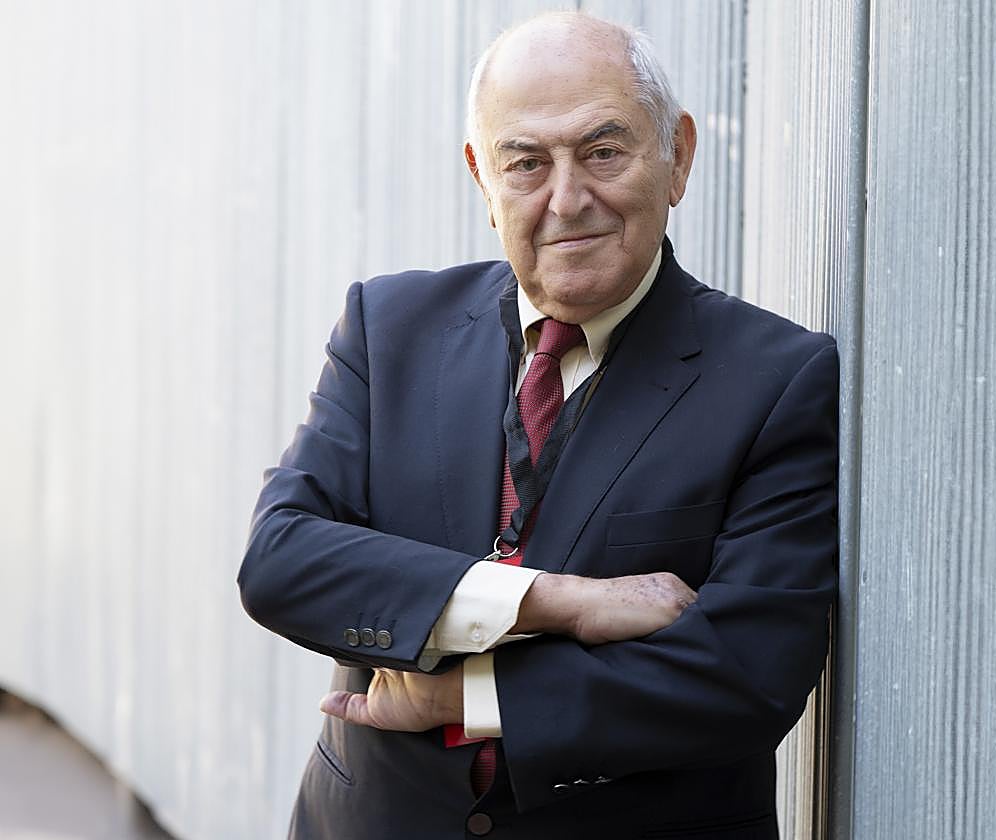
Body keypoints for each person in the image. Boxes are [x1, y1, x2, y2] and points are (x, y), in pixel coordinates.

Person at [238, 11, 838, 839]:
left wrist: (465, 698)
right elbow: (282, 559)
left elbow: (747, 671)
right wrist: (556, 603)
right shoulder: (387, 327)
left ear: (678, 156)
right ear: (482, 178)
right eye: (525, 163)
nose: (566, 198)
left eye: (603, 151)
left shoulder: (777, 378)